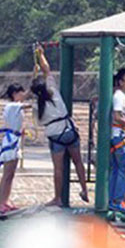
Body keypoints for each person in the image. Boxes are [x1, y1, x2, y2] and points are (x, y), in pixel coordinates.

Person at [30, 46, 89, 206]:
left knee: (58, 168)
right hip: (69, 130)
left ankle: (58, 198)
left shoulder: (37, 107)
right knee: (78, 162)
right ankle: (84, 189)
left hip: (56, 136)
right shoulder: (53, 92)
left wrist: (33, 76)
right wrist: (41, 55)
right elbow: (47, 70)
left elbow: (39, 122)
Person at [0, 83, 29, 214]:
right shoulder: (12, 106)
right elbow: (28, 103)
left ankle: (6, 201)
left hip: (15, 139)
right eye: (21, 92)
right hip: (10, 141)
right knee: (7, 174)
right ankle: (0, 203)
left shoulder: (16, 107)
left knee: (11, 174)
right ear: (15, 94)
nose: (23, 95)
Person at [110, 67, 125, 214]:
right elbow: (117, 117)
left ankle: (112, 199)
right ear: (120, 82)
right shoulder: (119, 96)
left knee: (116, 169)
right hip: (119, 135)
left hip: (118, 135)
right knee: (123, 169)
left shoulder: (121, 96)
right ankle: (118, 200)